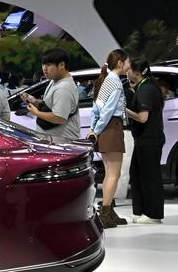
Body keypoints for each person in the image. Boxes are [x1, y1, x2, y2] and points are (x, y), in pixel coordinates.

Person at [89, 49, 130, 229]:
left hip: (106, 129)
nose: (129, 65)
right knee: (114, 174)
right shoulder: (116, 82)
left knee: (109, 174)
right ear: (120, 63)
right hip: (112, 128)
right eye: (128, 62)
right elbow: (107, 111)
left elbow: (96, 108)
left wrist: (94, 128)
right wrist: (96, 130)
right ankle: (105, 214)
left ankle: (108, 211)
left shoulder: (107, 80)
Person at [125, 59, 165, 224]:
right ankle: (142, 211)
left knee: (150, 177)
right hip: (145, 139)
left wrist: (124, 110)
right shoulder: (145, 87)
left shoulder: (146, 89)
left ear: (136, 72)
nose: (126, 72)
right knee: (137, 174)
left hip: (149, 140)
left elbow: (142, 118)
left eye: (129, 69)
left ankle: (153, 215)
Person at [23, 48, 80, 143]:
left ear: (61, 65)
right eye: (43, 64)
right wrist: (36, 101)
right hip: (53, 141)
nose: (44, 68)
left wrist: (36, 113)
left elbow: (59, 118)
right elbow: (51, 105)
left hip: (59, 143)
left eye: (49, 65)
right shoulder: (55, 81)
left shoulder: (64, 88)